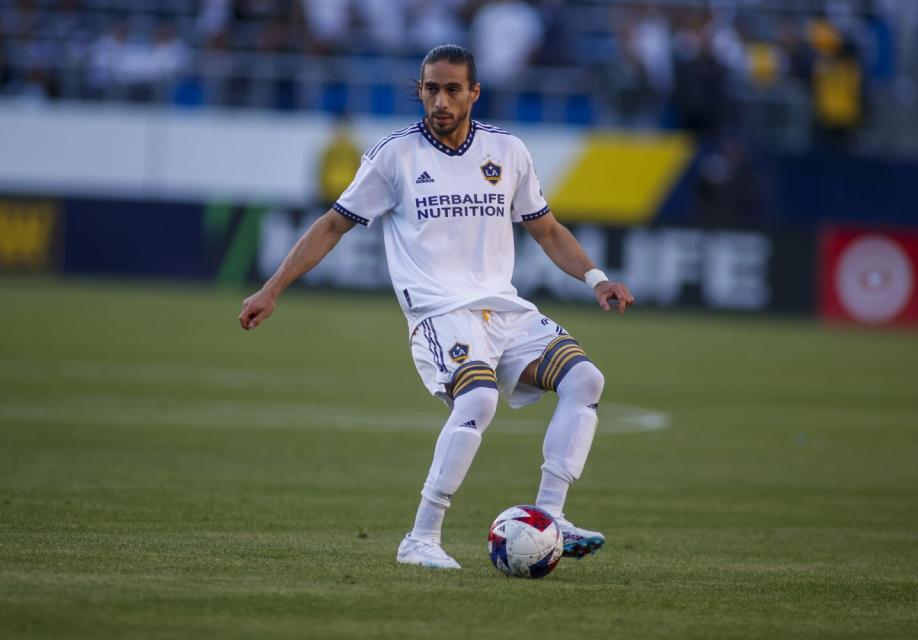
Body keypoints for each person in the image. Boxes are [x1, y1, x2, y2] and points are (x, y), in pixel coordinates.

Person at [238, 44, 635, 569]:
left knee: (586, 380)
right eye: (431, 89)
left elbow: (546, 229)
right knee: (478, 401)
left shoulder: (508, 151)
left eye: (453, 89)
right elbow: (332, 224)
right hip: (438, 312)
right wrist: (272, 288)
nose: (441, 100)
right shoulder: (395, 155)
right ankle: (421, 537)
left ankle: (550, 515)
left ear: (474, 92)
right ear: (420, 90)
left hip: (502, 309)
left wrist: (595, 278)